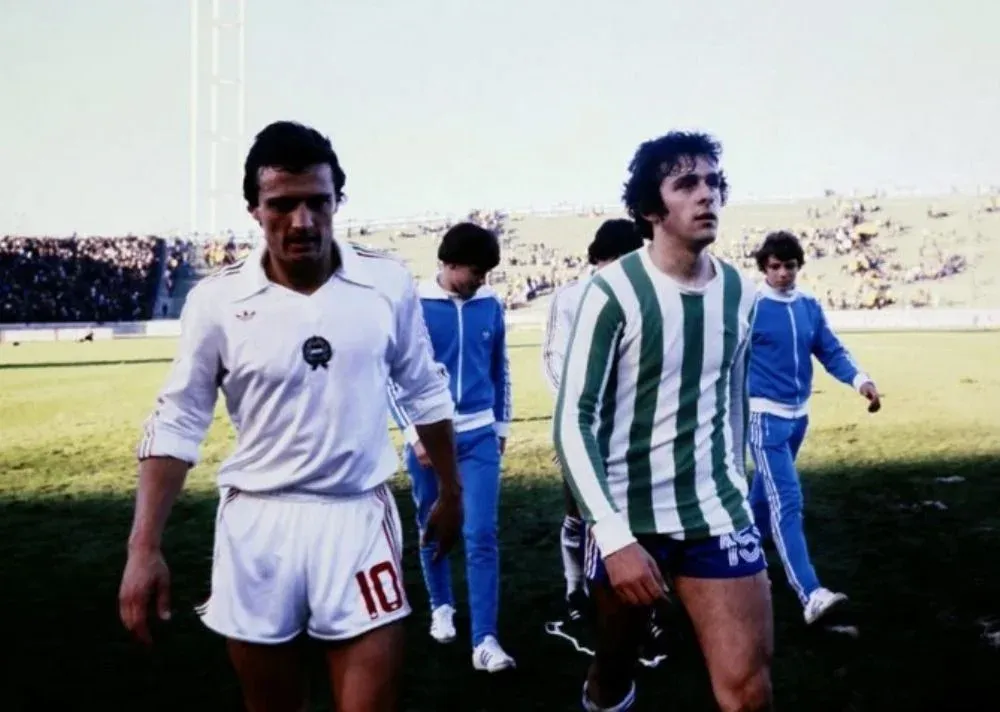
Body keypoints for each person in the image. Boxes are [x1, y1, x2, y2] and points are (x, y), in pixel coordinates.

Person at [118, 120, 463, 712]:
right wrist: (142, 547)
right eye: (282, 204)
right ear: (254, 208)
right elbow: (178, 422)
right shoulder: (216, 301)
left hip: (356, 516)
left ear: (338, 202)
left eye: (317, 203)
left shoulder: (384, 282)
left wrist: (451, 490)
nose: (301, 221)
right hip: (258, 525)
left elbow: (425, 389)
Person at [554, 131, 774, 712]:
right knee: (613, 672)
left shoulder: (740, 293)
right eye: (687, 184)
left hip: (715, 510)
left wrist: (737, 487)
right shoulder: (613, 292)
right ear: (652, 209)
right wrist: (611, 533)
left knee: (748, 689)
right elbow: (573, 419)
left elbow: (732, 399)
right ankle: (604, 694)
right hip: (628, 519)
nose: (707, 196)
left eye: (713, 182)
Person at [386, 222, 516, 673]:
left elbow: (501, 369)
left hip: (479, 436)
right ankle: (442, 605)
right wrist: (413, 432)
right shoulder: (414, 306)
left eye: (485, 272)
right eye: (474, 271)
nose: (481, 279)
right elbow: (391, 375)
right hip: (429, 436)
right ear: (449, 263)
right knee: (432, 524)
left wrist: (501, 427)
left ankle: (485, 640)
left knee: (481, 533)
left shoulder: (491, 306)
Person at [747, 230, 881, 632]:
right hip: (764, 418)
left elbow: (830, 349)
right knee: (787, 501)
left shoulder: (808, 306)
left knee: (762, 500)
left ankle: (739, 556)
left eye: (790, 266)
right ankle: (810, 594)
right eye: (775, 266)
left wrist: (860, 381)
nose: (784, 273)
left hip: (797, 417)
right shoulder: (749, 307)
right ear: (764, 268)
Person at [541, 218, 645, 621]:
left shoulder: (641, 295)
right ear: (599, 258)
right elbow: (553, 360)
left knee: (633, 515)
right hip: (584, 427)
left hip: (630, 429)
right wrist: (576, 415)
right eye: (616, 260)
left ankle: (640, 603)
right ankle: (575, 588)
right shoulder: (570, 298)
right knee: (578, 513)